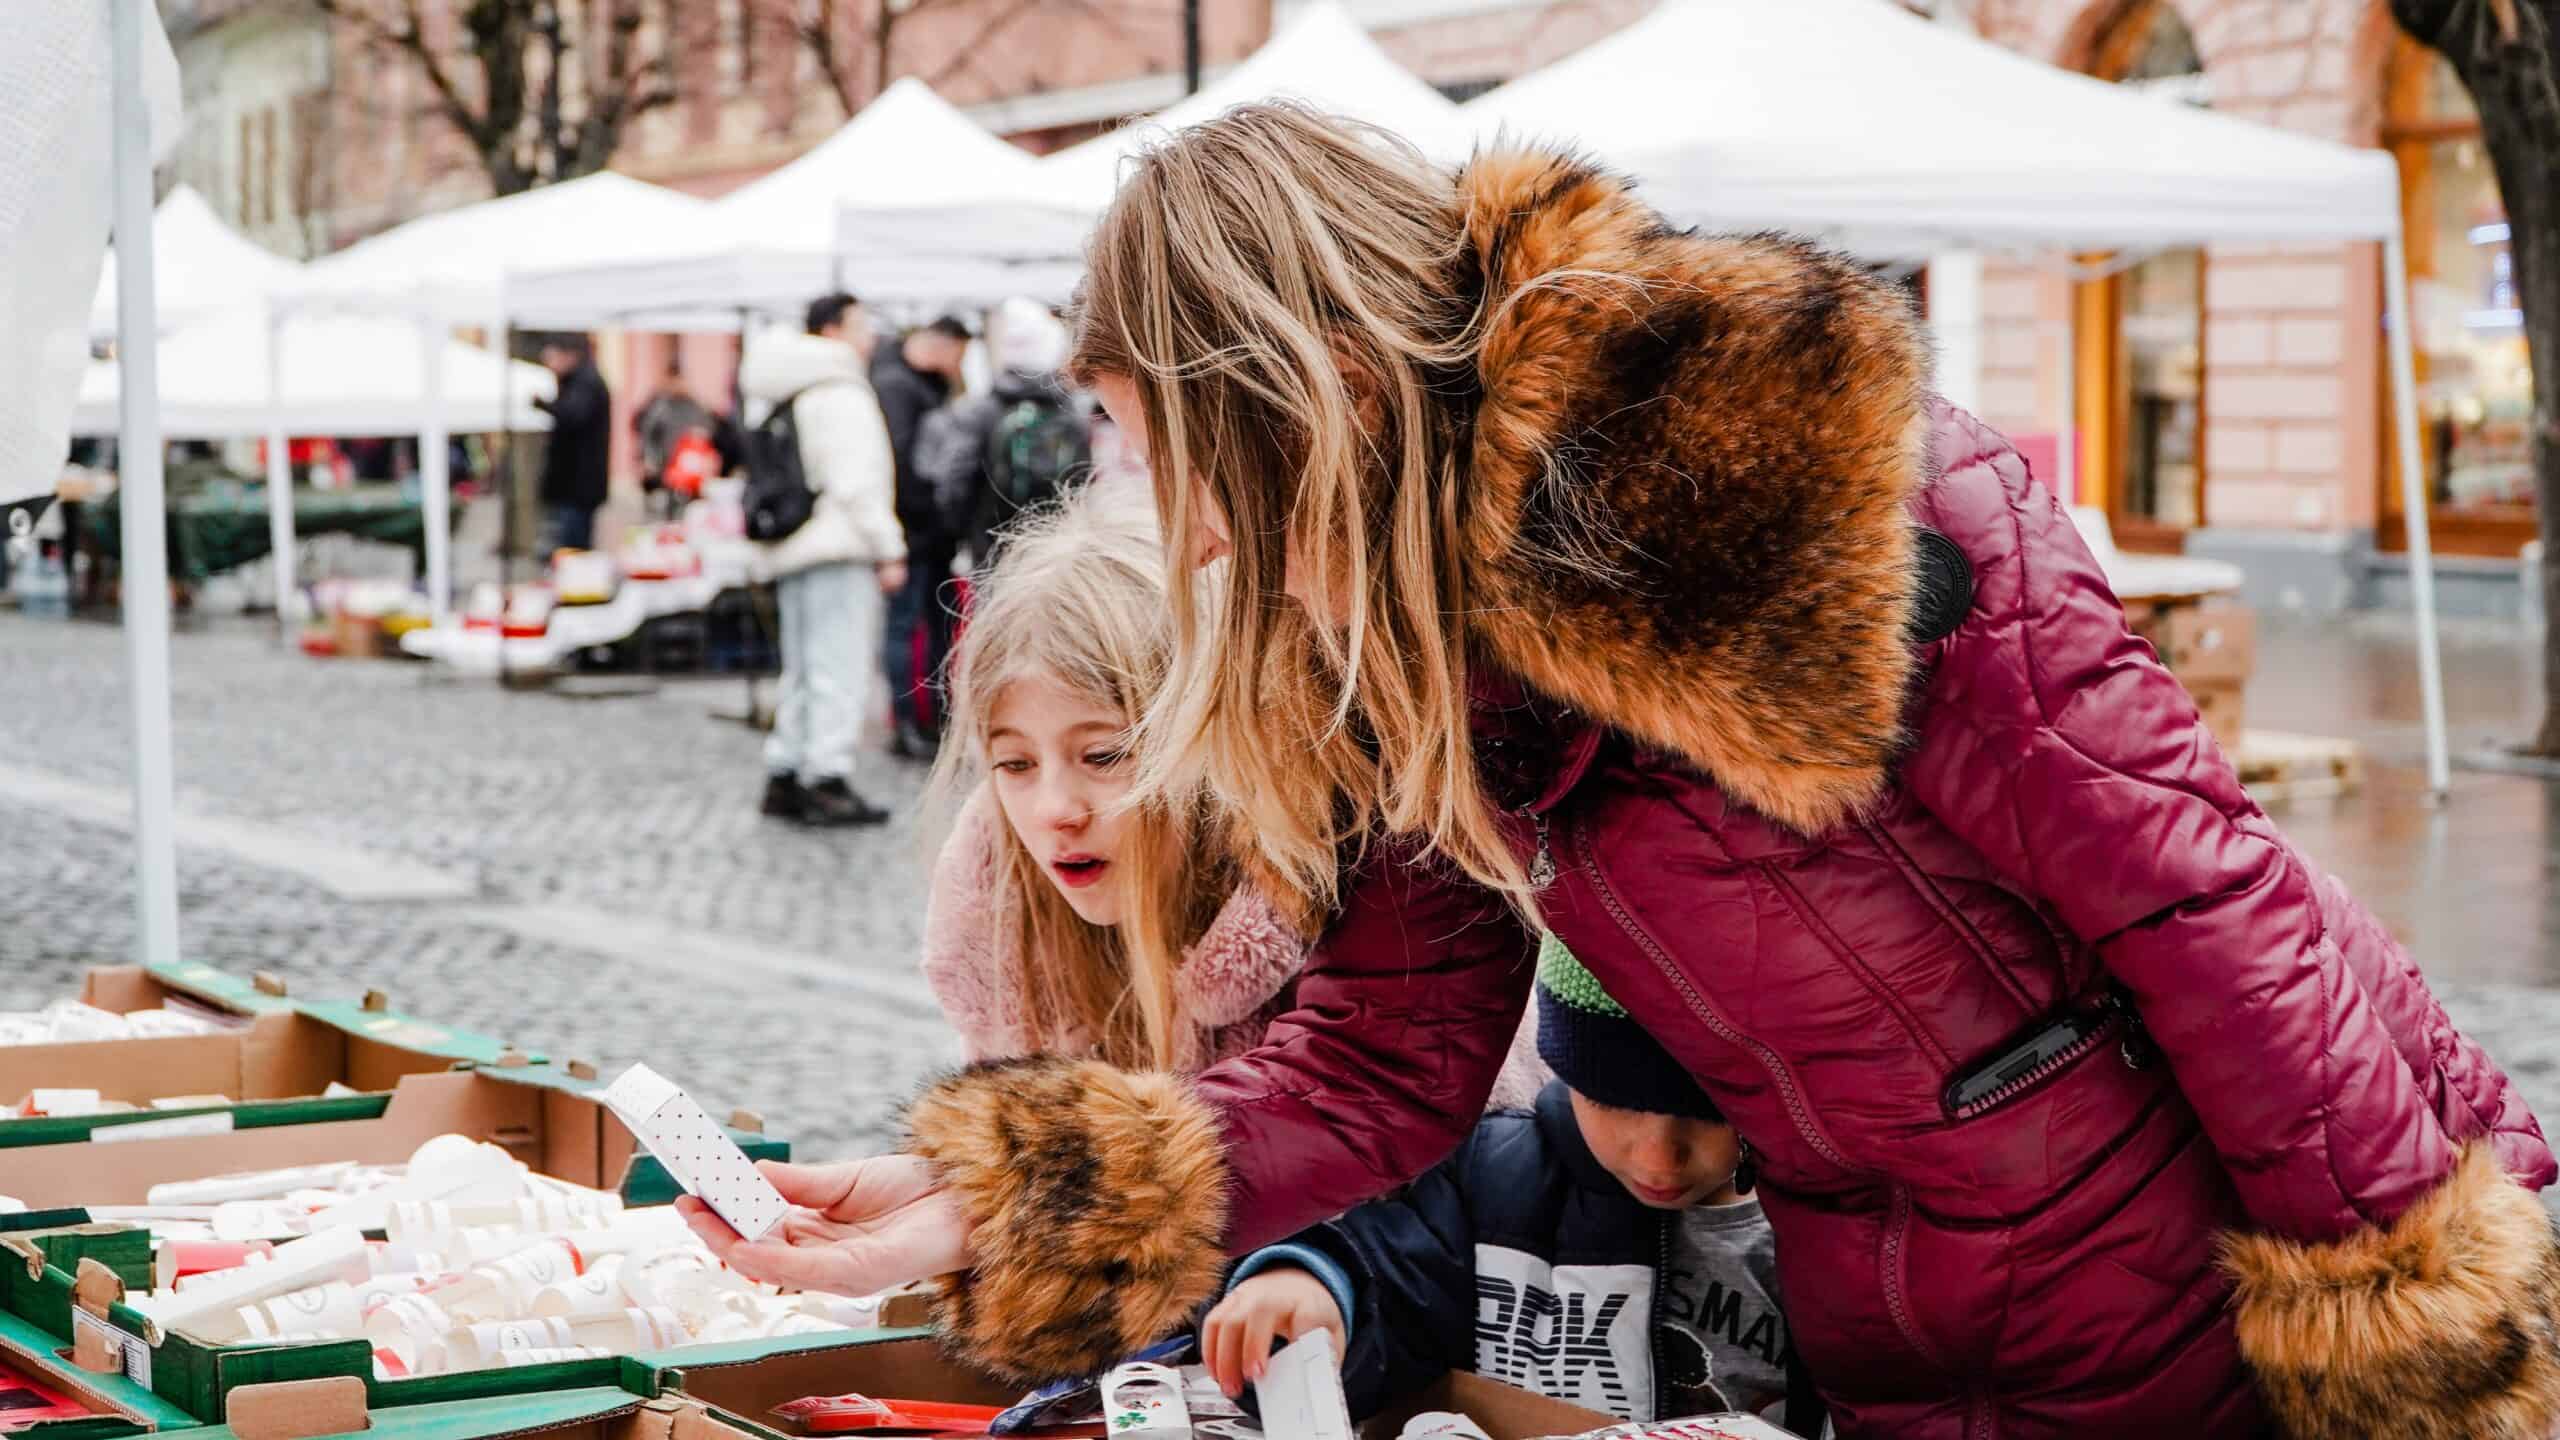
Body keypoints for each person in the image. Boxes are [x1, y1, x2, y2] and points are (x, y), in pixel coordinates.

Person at [680, 108, 2560, 1437]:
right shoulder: (1408, 657)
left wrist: (2420, 1352)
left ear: (1317, 393)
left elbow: (2212, 914)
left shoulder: (1836, 501)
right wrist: (997, 1208)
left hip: (2217, 1301)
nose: (1177, 540)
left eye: (1176, 461)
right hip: (1920, 1340)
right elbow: (1386, 1052)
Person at [919, 477, 1544, 1088]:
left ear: (1210, 741)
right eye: (1016, 765)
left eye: (1106, 756)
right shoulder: (1007, 944)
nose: (1057, 810)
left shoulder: (1358, 899)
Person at [1203, 938, 1814, 1432]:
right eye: (1612, 1100)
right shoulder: (1493, 1180)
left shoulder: (1818, 1231)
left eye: (1705, 1112)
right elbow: (1390, 1290)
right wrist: (1313, 1291)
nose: (1659, 1156)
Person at [738, 293, 907, 827]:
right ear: (831, 330)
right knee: (838, 665)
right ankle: (825, 778)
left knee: (803, 667)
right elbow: (857, 483)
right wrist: (889, 547)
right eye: (861, 324)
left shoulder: (789, 388)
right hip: (838, 544)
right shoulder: (840, 391)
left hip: (794, 546)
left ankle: (787, 770)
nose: (870, 335)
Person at [915, 298, 1088, 576]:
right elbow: (1085, 479)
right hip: (1059, 548)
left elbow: (953, 481)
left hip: (991, 547)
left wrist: (967, 532)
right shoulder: (1069, 412)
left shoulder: (980, 412)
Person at [871, 314, 972, 759]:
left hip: (930, 533)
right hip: (911, 532)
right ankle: (907, 721)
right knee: (905, 624)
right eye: (959, 354)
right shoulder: (896, 384)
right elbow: (903, 465)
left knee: (935, 625)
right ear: (943, 344)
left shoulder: (923, 383)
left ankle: (931, 717)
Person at [532, 336, 610, 552]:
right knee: (571, 546)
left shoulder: (584, 383)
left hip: (577, 486)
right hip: (575, 485)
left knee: (573, 548)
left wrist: (547, 406)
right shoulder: (580, 382)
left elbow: (573, 416)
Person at [634, 363, 713, 513]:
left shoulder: (694, 405)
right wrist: (649, 460)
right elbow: (648, 433)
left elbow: (708, 429)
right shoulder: (660, 405)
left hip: (689, 468)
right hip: (665, 467)